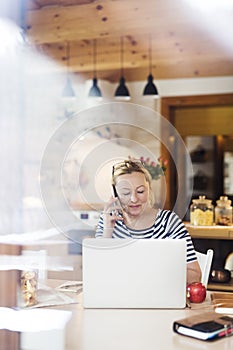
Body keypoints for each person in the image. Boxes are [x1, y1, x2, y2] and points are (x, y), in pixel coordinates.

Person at [96, 159, 201, 285]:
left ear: (149, 190)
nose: (134, 199)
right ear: (115, 194)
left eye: (140, 191)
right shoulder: (108, 219)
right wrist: (107, 231)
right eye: (125, 193)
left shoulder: (168, 223)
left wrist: (154, 276)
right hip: (119, 298)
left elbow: (195, 276)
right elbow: (98, 272)